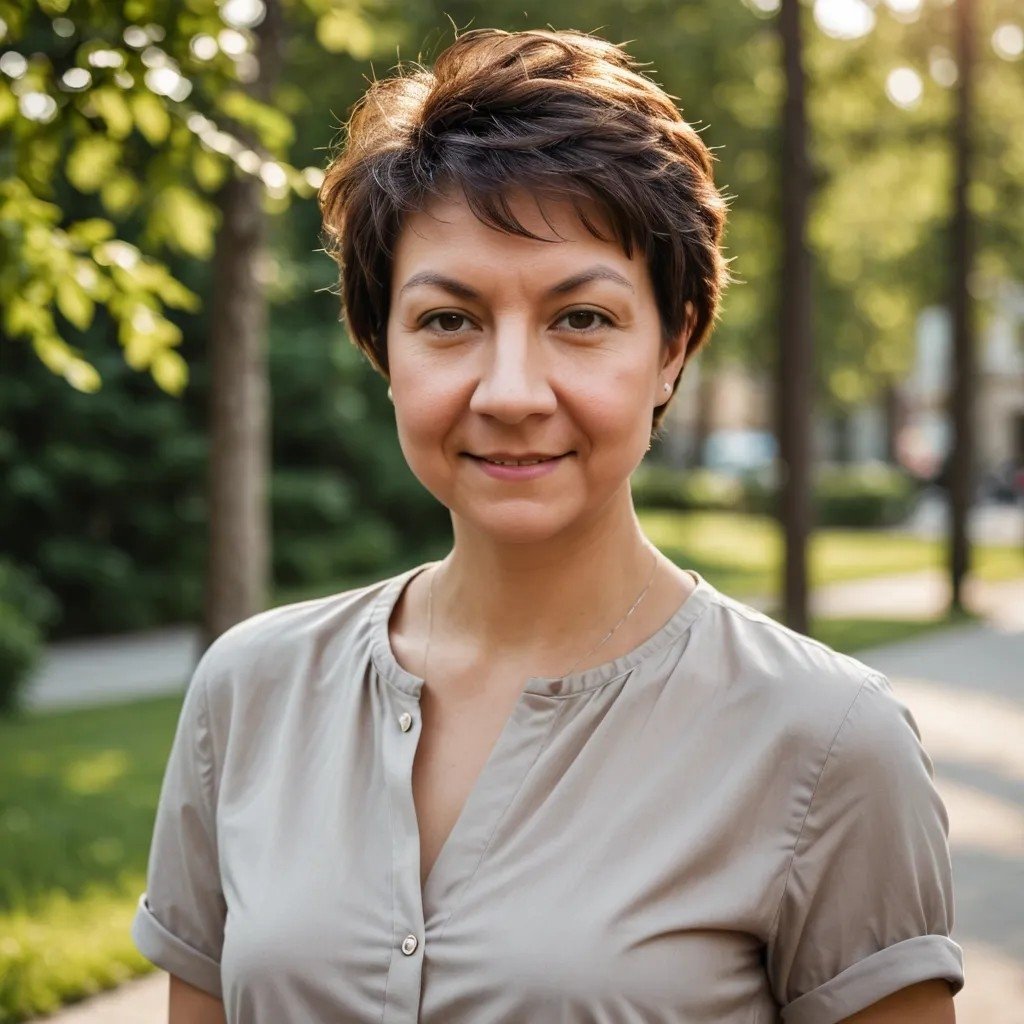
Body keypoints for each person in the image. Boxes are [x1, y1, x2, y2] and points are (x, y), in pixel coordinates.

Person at [132, 27, 964, 1024]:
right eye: (449, 320)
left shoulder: (828, 742)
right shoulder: (248, 691)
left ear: (672, 345)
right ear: (380, 344)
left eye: (581, 318)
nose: (512, 391)